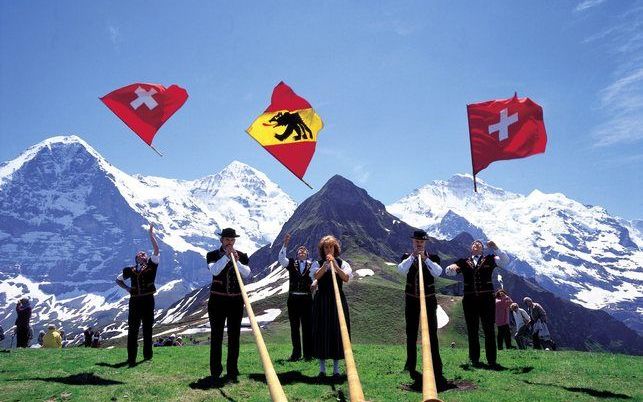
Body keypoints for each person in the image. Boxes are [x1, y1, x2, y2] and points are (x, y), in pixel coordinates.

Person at [446, 240, 509, 368]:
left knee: (489, 329)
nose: (476, 244)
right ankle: (474, 360)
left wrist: (496, 247)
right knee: (472, 330)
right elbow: (448, 272)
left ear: (482, 248)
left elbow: (505, 261)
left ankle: (492, 361)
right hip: (469, 300)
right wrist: (451, 268)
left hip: (487, 299)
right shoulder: (463, 262)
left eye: (479, 243)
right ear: (471, 247)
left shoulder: (490, 259)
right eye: (473, 243)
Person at [397, 229, 448, 388]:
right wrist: (412, 257)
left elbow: (438, 272)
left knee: (431, 332)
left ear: (425, 242)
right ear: (413, 242)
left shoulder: (434, 258)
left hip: (429, 299)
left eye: (421, 241)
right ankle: (410, 366)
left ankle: (436, 367)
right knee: (411, 332)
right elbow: (401, 270)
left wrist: (425, 259)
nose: (418, 243)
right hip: (412, 299)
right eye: (416, 241)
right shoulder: (407, 257)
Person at [206, 227, 251, 383]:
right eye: (227, 240)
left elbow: (247, 273)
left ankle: (232, 370)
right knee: (216, 336)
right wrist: (226, 257)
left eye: (232, 240)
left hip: (236, 302)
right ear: (221, 240)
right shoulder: (212, 255)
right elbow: (214, 271)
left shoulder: (242, 256)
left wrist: (236, 261)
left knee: (234, 337)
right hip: (217, 301)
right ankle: (215, 370)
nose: (229, 243)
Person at [116, 223, 160, 366]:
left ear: (146, 258)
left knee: (148, 328)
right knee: (133, 329)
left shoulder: (152, 265)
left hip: (148, 300)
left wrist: (151, 235)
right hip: (134, 301)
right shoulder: (130, 270)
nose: (142, 255)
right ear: (136, 259)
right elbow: (118, 279)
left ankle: (147, 355)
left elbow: (156, 249)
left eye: (144, 254)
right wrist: (127, 288)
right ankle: (131, 358)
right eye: (139, 254)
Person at [310, 235, 353, 379]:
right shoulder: (317, 263)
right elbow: (316, 276)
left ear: (336, 248)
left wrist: (334, 265)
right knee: (321, 331)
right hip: (322, 300)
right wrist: (325, 265)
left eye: (331, 247)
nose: (329, 249)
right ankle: (322, 370)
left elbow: (346, 278)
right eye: (326, 247)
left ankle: (336, 370)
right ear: (322, 250)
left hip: (337, 300)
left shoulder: (342, 263)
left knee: (337, 331)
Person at [279, 233, 314, 361]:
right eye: (299, 250)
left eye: (304, 250)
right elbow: (281, 259)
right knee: (294, 327)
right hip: (293, 299)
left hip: (307, 299)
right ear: (297, 254)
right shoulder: (291, 263)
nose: (302, 251)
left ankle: (308, 354)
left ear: (307, 254)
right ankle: (296, 354)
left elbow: (317, 277)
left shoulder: (312, 265)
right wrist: (285, 244)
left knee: (307, 327)